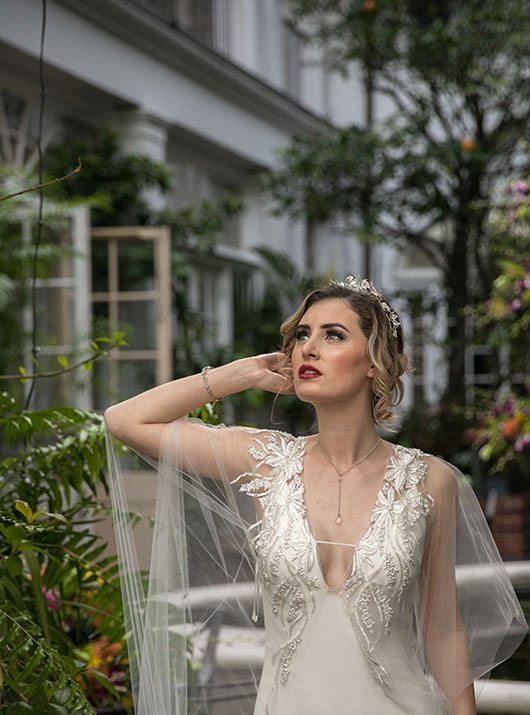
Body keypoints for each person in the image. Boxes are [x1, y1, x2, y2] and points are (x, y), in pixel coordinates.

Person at [104, 276, 526, 715]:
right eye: (303, 335)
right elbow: (125, 420)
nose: (308, 347)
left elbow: (443, 628)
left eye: (334, 335)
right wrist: (240, 375)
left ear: (374, 362)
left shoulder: (428, 480)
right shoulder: (265, 461)